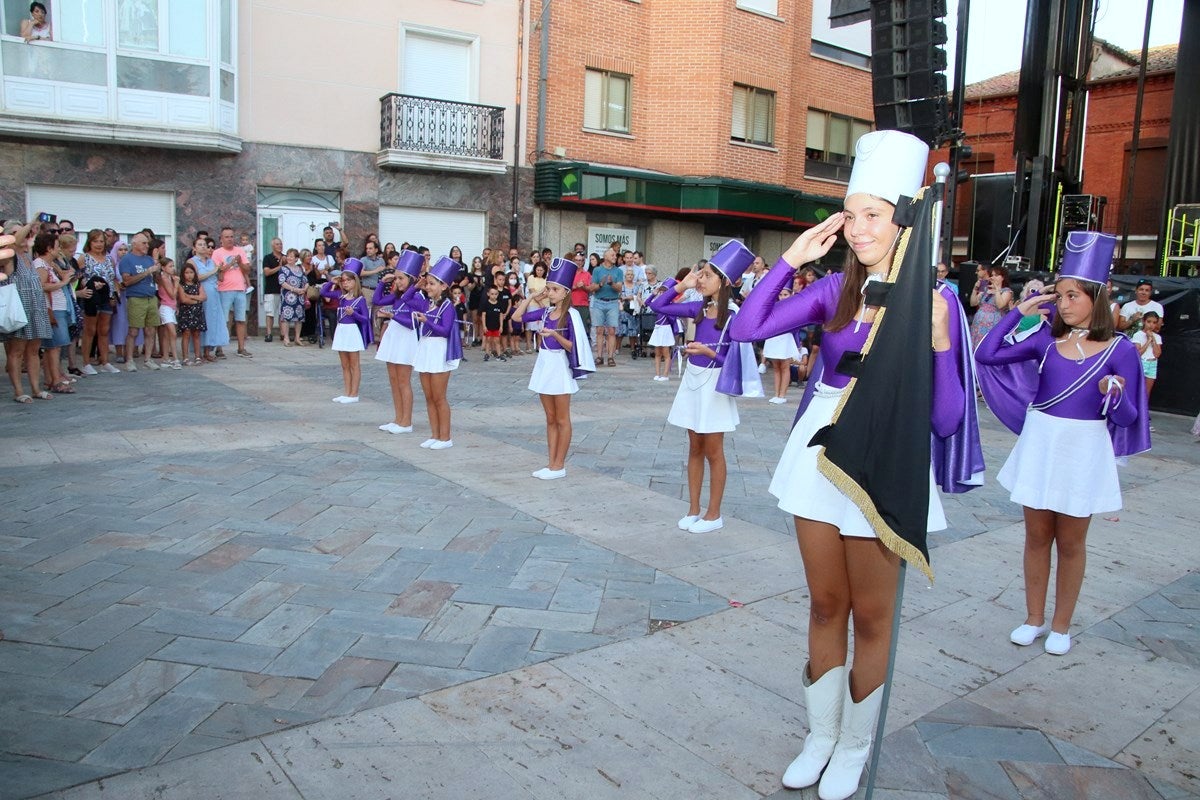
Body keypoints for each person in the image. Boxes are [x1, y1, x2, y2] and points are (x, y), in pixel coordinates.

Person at [728, 130, 981, 799]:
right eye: (851, 213)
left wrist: (932, 339)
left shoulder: (938, 300)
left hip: (889, 453)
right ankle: (820, 735)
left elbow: (948, 420)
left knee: (871, 616)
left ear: (904, 221)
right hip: (820, 452)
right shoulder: (837, 288)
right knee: (824, 604)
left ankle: (854, 746)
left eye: (874, 214)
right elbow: (748, 328)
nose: (859, 227)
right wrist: (788, 261)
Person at [976, 231, 1148, 657]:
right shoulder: (1045, 340)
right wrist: (1019, 312)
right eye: (1061, 295)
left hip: (1084, 449)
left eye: (1072, 295)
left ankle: (1061, 624)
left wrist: (1116, 393)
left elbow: (1127, 418)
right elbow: (986, 355)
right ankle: (1033, 619)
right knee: (1036, 537)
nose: (1063, 303)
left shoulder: (1120, 349)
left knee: (1071, 542)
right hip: (1042, 442)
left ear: (1096, 297)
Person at [648, 241, 762, 535]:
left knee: (714, 451)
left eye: (708, 275)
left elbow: (737, 361)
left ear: (724, 282)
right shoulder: (699, 307)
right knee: (694, 447)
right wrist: (681, 284)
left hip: (715, 386)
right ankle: (693, 509)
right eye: (702, 274)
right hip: (693, 382)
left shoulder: (734, 315)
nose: (702, 279)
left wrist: (709, 353)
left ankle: (714, 514)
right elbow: (656, 305)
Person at [511, 257, 597, 479]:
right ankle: (551, 464)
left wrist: (556, 334)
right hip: (545, 365)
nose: (549, 292)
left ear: (565, 292)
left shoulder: (571, 316)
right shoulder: (545, 313)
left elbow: (574, 347)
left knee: (562, 419)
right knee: (550, 418)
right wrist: (531, 296)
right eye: (548, 288)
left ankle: (560, 465)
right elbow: (516, 317)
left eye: (554, 289)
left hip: (560, 367)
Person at [412, 257, 463, 449]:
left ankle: (445, 437)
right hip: (425, 349)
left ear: (444, 286)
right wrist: (416, 286)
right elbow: (407, 299)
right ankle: (434, 434)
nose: (428, 287)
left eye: (432, 284)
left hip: (439, 350)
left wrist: (427, 321)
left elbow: (445, 330)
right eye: (427, 284)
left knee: (439, 396)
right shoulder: (427, 303)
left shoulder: (447, 306)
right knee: (429, 396)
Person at [373, 250, 424, 434]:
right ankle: (397, 418)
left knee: (403, 381)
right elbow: (377, 300)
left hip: (406, 339)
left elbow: (412, 323)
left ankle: (406, 422)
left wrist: (393, 315)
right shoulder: (397, 296)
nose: (398, 282)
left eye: (401, 278)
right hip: (394, 337)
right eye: (396, 278)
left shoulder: (417, 297)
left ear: (412, 279)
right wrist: (382, 282)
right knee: (393, 380)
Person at [3, 221, 54, 402]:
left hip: (35, 306)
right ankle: (18, 391)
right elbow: (15, 242)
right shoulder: (8, 257)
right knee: (16, 351)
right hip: (19, 308)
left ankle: (35, 388)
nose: (24, 236)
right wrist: (30, 222)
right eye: (18, 233)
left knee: (34, 350)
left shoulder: (29, 256)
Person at [320, 259, 371, 404]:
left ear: (355, 281)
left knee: (354, 364)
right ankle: (347, 392)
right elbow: (323, 292)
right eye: (343, 281)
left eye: (348, 280)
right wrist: (332, 282)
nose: (345, 283)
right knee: (344, 365)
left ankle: (354, 393)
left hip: (352, 332)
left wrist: (353, 314)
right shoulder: (340, 297)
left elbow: (365, 319)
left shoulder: (359, 299)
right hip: (341, 330)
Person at [78, 229, 119, 374]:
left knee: (104, 330)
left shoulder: (109, 259)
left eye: (101, 241)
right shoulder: (84, 258)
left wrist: (114, 295)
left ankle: (105, 361)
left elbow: (112, 278)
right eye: (95, 241)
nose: (99, 244)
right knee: (90, 330)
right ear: (89, 242)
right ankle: (86, 362)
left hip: (106, 297)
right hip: (91, 297)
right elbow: (79, 278)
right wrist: (89, 284)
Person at [118, 232, 160, 372]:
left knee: (150, 329)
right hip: (136, 298)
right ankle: (129, 360)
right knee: (133, 330)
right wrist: (146, 272)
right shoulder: (127, 259)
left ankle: (148, 359)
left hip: (151, 297)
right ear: (134, 244)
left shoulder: (149, 259)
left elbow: (156, 279)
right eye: (144, 243)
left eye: (147, 243)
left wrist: (156, 270)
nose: (147, 246)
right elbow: (127, 281)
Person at [211, 227, 252, 357]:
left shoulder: (240, 251)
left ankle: (241, 348)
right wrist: (228, 265)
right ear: (221, 239)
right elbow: (217, 271)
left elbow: (247, 269)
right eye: (227, 237)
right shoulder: (217, 253)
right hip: (224, 289)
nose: (230, 239)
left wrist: (239, 262)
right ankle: (219, 348)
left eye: (232, 236)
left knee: (240, 319)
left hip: (240, 289)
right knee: (223, 320)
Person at [762, 287, 804, 404]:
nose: (782, 297)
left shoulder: (793, 308)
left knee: (785, 366)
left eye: (785, 295)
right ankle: (776, 394)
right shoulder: (774, 307)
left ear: (790, 295)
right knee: (776, 367)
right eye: (780, 295)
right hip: (774, 337)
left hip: (786, 338)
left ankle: (782, 395)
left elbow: (796, 326)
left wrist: (797, 342)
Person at [189, 235, 227, 362]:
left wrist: (220, 270)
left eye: (204, 245)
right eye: (200, 245)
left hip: (214, 294)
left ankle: (208, 350)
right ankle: (198, 352)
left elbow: (220, 277)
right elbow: (195, 278)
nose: (203, 247)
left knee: (212, 321)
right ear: (194, 248)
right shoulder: (192, 262)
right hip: (200, 294)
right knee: (201, 321)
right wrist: (212, 272)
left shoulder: (211, 261)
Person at [969, 265, 1013, 347]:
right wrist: (975, 289)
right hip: (978, 324)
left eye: (996, 275)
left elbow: (1000, 305)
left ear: (1003, 277)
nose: (993, 277)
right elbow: (973, 303)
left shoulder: (1006, 291)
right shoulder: (986, 290)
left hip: (993, 324)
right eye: (992, 275)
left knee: (987, 345)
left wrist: (997, 289)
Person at [1131, 310, 1163, 418]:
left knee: (1147, 392)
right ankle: (1134, 412)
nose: (1151, 325)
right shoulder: (1138, 335)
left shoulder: (1157, 337)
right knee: (1137, 389)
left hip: (1152, 363)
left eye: (1154, 323)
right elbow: (1138, 353)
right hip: (1142, 363)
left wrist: (1153, 339)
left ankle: (1143, 414)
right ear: (1144, 321)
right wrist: (1148, 340)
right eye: (1149, 322)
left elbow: (1157, 353)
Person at [176, 260, 207, 365]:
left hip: (197, 312)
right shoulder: (181, 285)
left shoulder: (198, 284)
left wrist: (192, 296)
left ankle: (198, 356)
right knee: (186, 333)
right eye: (186, 273)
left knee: (196, 334)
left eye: (191, 272)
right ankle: (185, 357)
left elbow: (204, 297)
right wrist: (197, 300)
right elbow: (183, 299)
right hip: (186, 312)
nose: (189, 275)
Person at [647, 282, 677, 382]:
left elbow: (673, 318)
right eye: (661, 290)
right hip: (658, 329)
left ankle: (665, 375)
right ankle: (657, 374)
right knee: (657, 353)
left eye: (665, 291)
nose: (662, 293)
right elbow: (647, 303)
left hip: (666, 329)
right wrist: (653, 294)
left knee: (666, 353)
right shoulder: (657, 304)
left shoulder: (671, 304)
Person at [277, 248, 307, 347]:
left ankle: (297, 338)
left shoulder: (300, 268)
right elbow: (282, 282)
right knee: (286, 317)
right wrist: (294, 289)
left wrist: (304, 289)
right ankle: (286, 338)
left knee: (299, 318)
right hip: (288, 296)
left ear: (296, 258)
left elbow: (306, 281)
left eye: (291, 256)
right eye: (288, 255)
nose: (289, 258)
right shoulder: (283, 269)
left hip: (299, 297)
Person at [155, 256, 181, 369]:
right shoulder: (164, 279)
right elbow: (172, 294)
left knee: (166, 334)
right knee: (173, 333)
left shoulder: (170, 278)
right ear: (163, 267)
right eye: (170, 266)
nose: (172, 268)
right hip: (165, 307)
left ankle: (165, 358)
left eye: (173, 266)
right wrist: (176, 284)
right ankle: (175, 358)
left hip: (171, 307)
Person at [261, 237, 283, 342]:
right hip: (271, 289)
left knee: (282, 313)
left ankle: (283, 334)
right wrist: (280, 267)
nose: (280, 246)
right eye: (277, 244)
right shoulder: (267, 258)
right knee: (270, 312)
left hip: (283, 290)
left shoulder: (285, 257)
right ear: (273, 246)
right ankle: (269, 333)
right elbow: (267, 272)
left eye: (281, 244)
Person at [480, 286, 508, 362]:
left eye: (496, 294)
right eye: (492, 294)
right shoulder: (485, 304)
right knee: (488, 340)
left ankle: (499, 355)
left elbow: (501, 316)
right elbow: (483, 315)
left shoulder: (499, 304)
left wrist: (501, 326)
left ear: (498, 294)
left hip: (496, 327)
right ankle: (487, 354)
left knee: (497, 341)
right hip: (488, 326)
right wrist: (484, 326)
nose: (494, 295)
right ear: (488, 294)